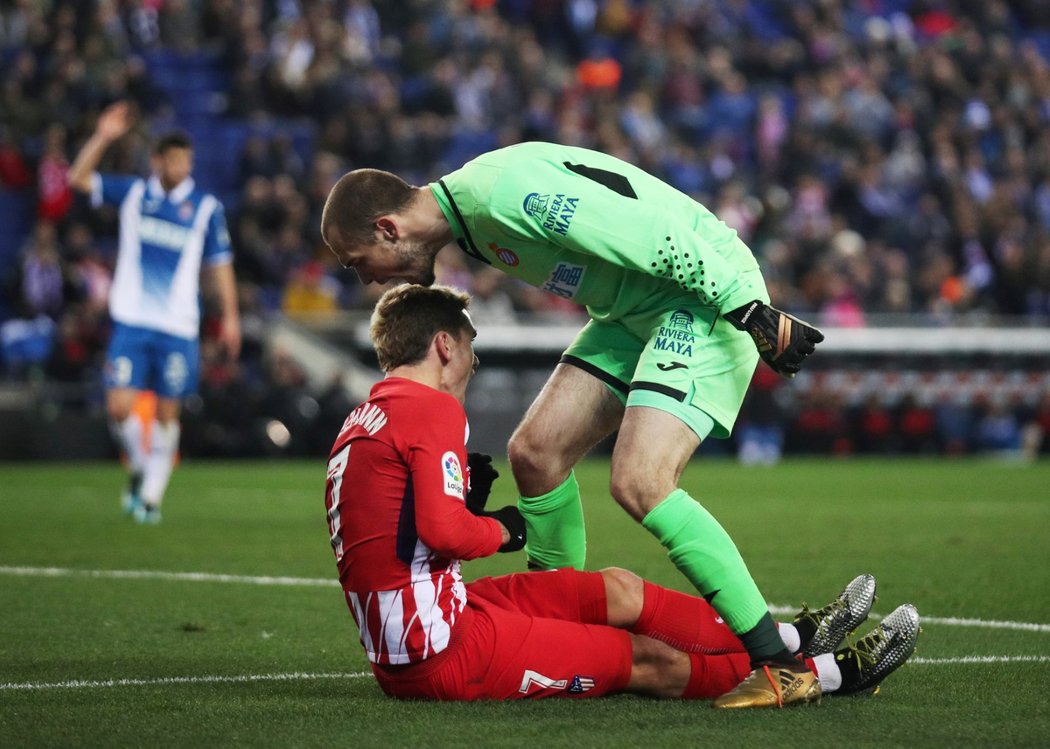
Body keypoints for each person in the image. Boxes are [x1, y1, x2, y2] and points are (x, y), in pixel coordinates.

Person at [320, 142, 827, 706]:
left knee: (640, 480)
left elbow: (649, 231)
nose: (365, 279)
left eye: (356, 260)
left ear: (388, 229)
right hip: (635, 311)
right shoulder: (469, 224)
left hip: (700, 295)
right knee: (535, 452)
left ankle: (781, 664)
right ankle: (568, 626)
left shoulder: (500, 197)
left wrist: (748, 309)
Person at [324, 283, 920, 706]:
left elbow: (395, 537)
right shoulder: (431, 408)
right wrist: (509, 527)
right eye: (468, 345)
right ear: (444, 346)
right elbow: (444, 534)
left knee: (618, 587)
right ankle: (821, 674)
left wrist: (466, 509)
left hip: (433, 621)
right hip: (440, 653)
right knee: (641, 658)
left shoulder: (363, 419)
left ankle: (791, 638)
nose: (474, 361)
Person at [68, 101, 240, 524]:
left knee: (166, 414)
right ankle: (142, 465)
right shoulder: (133, 194)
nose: (183, 168)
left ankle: (150, 496)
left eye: (188, 161)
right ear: (157, 161)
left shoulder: (205, 208)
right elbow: (77, 178)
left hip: (178, 326)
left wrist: (231, 316)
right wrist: (104, 136)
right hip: (132, 320)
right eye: (176, 160)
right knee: (118, 407)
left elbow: (219, 264)